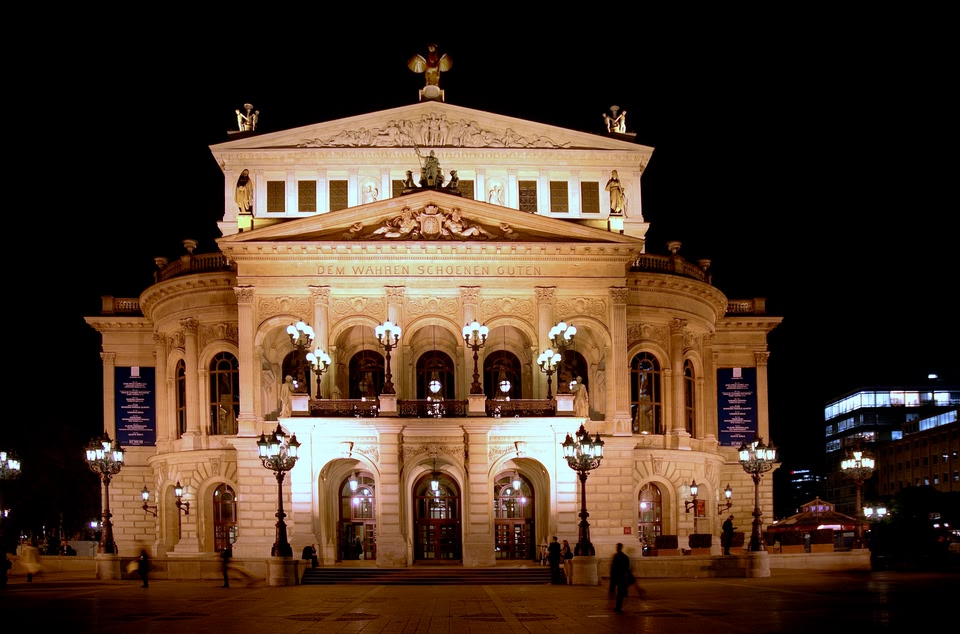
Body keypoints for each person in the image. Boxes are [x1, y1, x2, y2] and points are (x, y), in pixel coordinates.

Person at [609, 542, 631, 613]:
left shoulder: (623, 557)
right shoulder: (619, 556)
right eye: (617, 547)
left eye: (618, 547)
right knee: (619, 593)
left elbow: (626, 568)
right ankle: (618, 607)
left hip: (620, 577)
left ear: (620, 548)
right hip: (617, 577)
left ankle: (619, 607)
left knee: (620, 593)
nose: (617, 548)